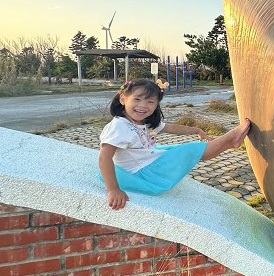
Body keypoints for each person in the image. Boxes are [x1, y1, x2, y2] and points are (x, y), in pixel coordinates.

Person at [98, 78, 251, 210]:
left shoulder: (142, 122)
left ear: (156, 104)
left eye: (150, 102)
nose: (143, 106)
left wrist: (197, 130)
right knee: (190, 151)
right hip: (140, 173)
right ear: (123, 99)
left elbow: (171, 128)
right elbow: (104, 158)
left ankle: (230, 142)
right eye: (137, 99)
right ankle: (230, 139)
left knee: (178, 150)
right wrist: (113, 190)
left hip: (145, 160)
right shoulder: (119, 126)